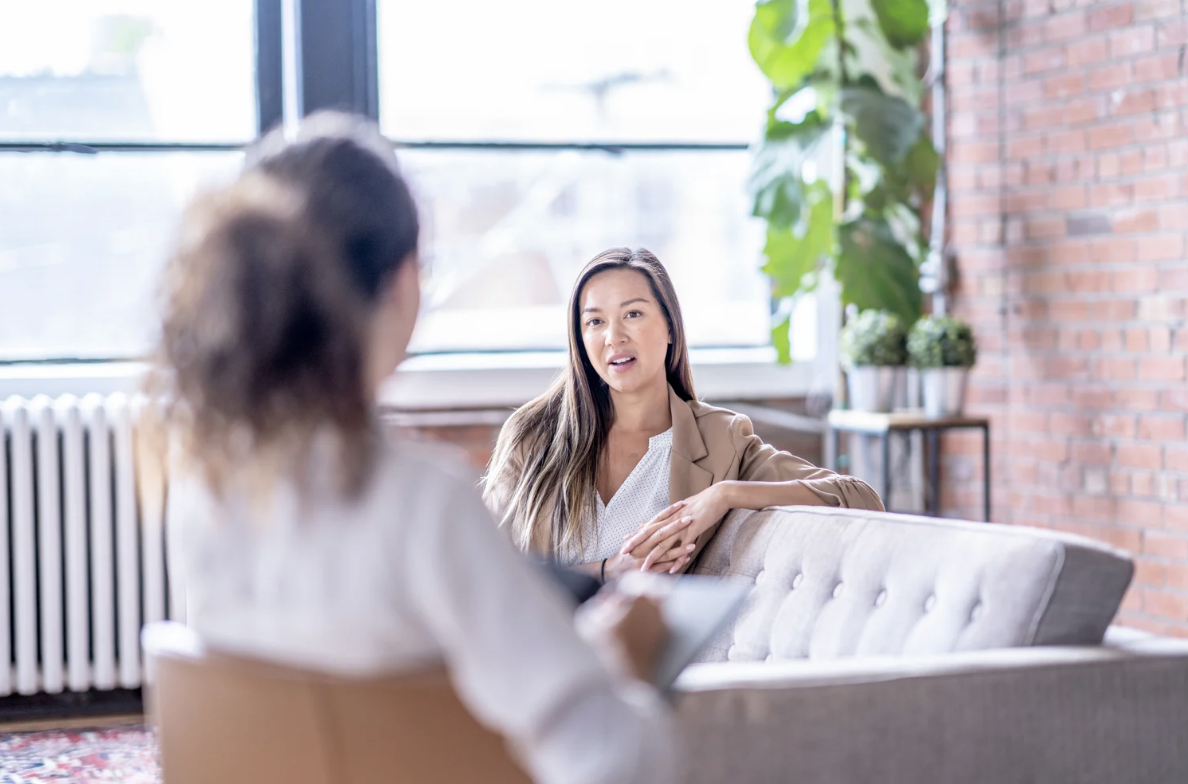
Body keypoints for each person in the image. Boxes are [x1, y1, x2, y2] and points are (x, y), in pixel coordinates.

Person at [151, 113, 677, 784]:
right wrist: (618, 669)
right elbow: (614, 759)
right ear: (403, 283)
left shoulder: (204, 492)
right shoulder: (424, 504)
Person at [484, 248, 884, 580]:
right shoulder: (532, 435)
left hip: (654, 662)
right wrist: (608, 571)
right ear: (581, 339)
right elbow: (482, 569)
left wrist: (726, 494)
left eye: (633, 314)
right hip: (542, 653)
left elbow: (860, 498)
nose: (614, 336)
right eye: (595, 321)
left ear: (671, 327)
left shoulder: (719, 439)